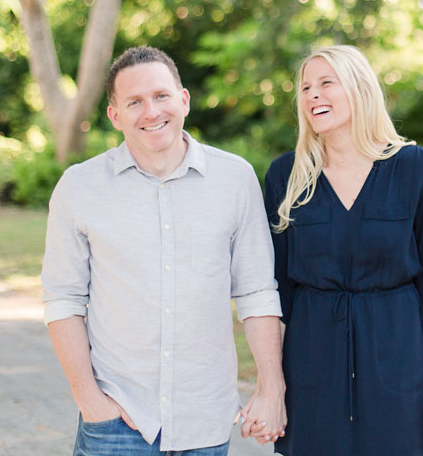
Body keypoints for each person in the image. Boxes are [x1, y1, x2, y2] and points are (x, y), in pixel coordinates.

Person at [42, 46, 286, 455]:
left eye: (161, 96)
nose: (151, 112)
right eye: (134, 102)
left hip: (205, 419)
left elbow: (257, 292)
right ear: (115, 115)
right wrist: (89, 400)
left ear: (184, 100)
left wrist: (271, 388)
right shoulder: (79, 187)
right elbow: (63, 299)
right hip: (116, 420)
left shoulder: (235, 179)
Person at [264, 45, 423, 456]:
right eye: (305, 88)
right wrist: (271, 386)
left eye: (326, 83)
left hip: (399, 368)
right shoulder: (286, 177)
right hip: (313, 370)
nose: (313, 94)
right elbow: (276, 292)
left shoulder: (416, 168)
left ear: (359, 88)